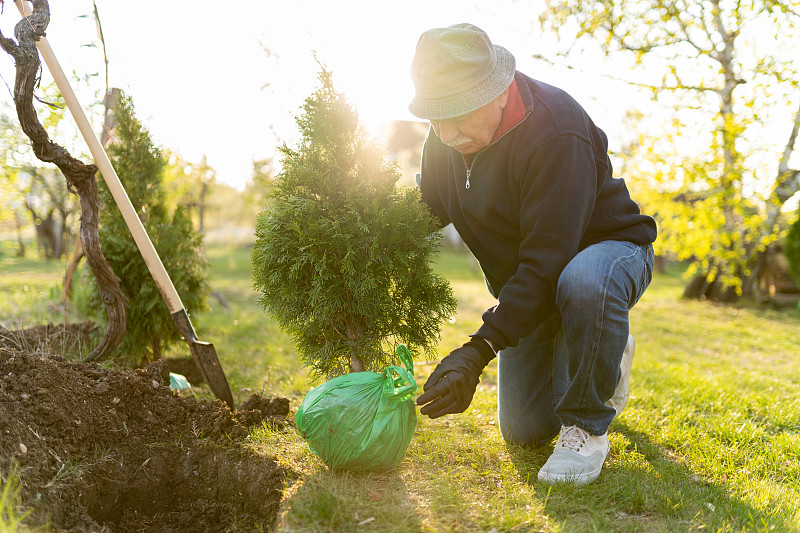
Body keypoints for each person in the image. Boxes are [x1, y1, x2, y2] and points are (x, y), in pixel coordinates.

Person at [410, 23, 657, 486]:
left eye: (456, 113)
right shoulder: (445, 135)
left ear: (497, 91)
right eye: (434, 115)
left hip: (606, 255)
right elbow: (428, 208)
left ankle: (586, 425)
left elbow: (549, 259)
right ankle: (604, 346)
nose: (446, 131)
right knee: (523, 431)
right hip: (536, 282)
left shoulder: (556, 130)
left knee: (583, 283)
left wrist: (477, 350)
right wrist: (369, 233)